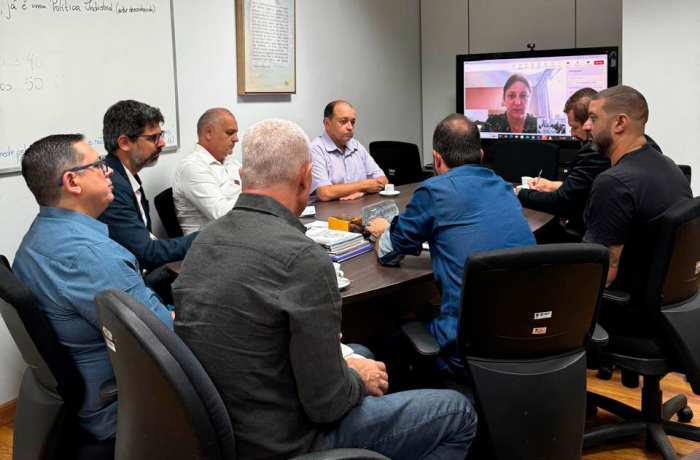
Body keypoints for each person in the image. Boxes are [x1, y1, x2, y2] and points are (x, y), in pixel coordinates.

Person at [173, 118, 477, 460]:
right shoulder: (303, 259)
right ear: (307, 177)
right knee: (459, 412)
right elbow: (327, 406)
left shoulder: (203, 241)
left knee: (362, 352)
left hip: (224, 431)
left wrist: (349, 366)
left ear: (243, 175)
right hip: (290, 441)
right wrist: (357, 380)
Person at [13, 134, 174, 441]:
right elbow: (164, 338)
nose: (109, 169)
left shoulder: (38, 235)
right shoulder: (92, 256)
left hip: (83, 394)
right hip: (121, 406)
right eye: (99, 164)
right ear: (72, 182)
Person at [366, 114, 536, 380]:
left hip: (466, 353)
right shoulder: (503, 187)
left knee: (379, 349)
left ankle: (433, 417)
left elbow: (389, 253)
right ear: (480, 155)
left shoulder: (433, 191)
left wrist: (381, 232)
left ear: (435, 158)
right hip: (525, 342)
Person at [582, 85, 692, 325]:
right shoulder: (667, 165)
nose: (585, 127)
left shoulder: (614, 183)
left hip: (625, 310)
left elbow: (603, 276)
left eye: (593, 118)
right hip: (665, 305)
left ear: (620, 123)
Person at [98, 100, 198, 302]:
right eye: (154, 138)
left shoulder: (126, 175)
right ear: (124, 142)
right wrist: (204, 237)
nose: (162, 143)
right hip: (130, 288)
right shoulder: (111, 186)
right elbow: (147, 254)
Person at [172, 108, 241, 235]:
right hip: (210, 245)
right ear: (208, 132)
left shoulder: (231, 161)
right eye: (230, 133)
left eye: (236, 133)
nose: (236, 139)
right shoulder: (192, 167)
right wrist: (253, 193)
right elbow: (222, 215)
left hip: (236, 234)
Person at [310, 100, 388, 201]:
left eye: (353, 122)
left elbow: (384, 180)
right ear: (327, 123)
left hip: (356, 208)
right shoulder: (315, 149)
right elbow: (325, 193)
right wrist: (363, 185)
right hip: (327, 213)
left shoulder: (356, 146)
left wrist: (363, 191)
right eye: (343, 121)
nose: (350, 127)